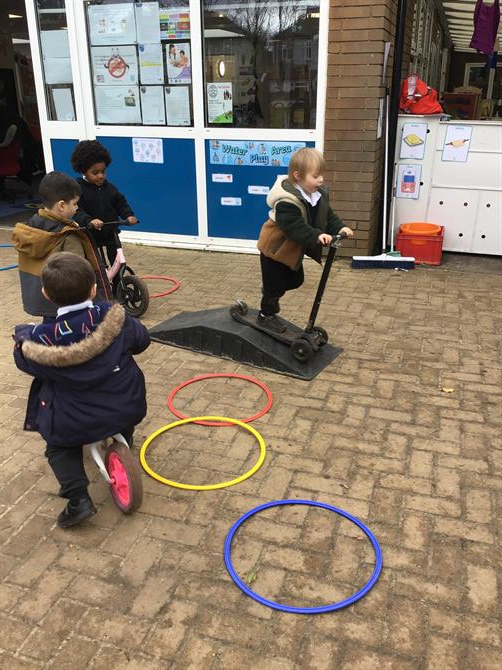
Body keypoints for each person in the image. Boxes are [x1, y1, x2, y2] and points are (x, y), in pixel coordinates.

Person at [13, 252, 150, 528]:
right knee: (122, 409)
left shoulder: (39, 341)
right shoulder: (116, 318)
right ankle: (125, 437)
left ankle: (78, 499)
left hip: (73, 421)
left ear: (45, 294)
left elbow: (23, 362)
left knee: (59, 448)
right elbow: (142, 340)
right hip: (126, 405)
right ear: (93, 289)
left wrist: (23, 337)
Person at [257, 147, 353, 332]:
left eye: (322, 175)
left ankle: (270, 291)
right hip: (274, 249)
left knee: (296, 280)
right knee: (274, 286)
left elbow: (328, 216)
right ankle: (265, 315)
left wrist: (340, 228)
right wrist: (317, 235)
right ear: (298, 175)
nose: (321, 180)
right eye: (315, 176)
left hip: (290, 251)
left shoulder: (315, 196)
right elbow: (295, 227)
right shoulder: (286, 201)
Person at [11, 171, 111, 318]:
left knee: (51, 330)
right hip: (71, 307)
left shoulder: (29, 229)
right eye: (75, 204)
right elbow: (78, 274)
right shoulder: (69, 236)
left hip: (44, 301)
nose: (77, 208)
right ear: (62, 205)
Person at [70, 140, 138, 270]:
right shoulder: (78, 189)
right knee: (95, 266)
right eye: (95, 173)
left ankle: (119, 281)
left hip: (111, 233)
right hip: (91, 234)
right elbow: (77, 211)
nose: (101, 176)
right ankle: (98, 280)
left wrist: (128, 215)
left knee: (118, 262)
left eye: (103, 171)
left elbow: (120, 203)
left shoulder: (110, 188)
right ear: (84, 171)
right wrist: (89, 220)